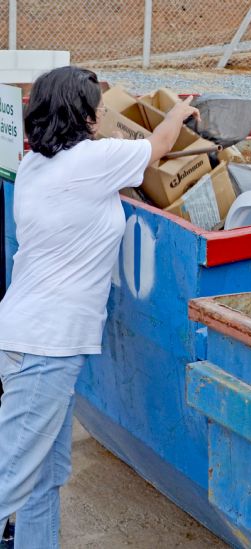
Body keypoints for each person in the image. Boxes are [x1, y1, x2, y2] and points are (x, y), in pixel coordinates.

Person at [0, 66, 199, 548]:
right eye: (98, 107)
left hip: (31, 336)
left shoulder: (36, 164)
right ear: (82, 116)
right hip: (46, 346)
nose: (104, 113)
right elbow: (158, 147)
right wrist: (177, 111)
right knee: (10, 480)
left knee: (41, 481)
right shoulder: (92, 162)